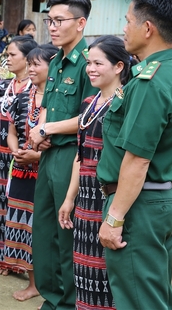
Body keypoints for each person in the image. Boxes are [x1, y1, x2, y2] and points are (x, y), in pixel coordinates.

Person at [97, 0, 172, 309]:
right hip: (159, 199)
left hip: (140, 205)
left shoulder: (151, 82)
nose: (123, 28)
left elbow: (137, 160)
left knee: (139, 300)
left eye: (127, 21)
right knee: (154, 295)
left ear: (147, 28)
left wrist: (115, 217)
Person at [29, 0, 97, 310]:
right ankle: (52, 298)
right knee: (43, 232)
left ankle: (70, 303)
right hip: (49, 154)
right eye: (49, 20)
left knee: (66, 234)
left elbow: (88, 116)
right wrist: (39, 131)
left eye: (59, 20)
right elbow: (49, 105)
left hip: (72, 156)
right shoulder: (56, 61)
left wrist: (48, 129)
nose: (52, 27)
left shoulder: (89, 63)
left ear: (80, 23)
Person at [58, 35, 132, 310]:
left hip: (108, 198)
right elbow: (81, 154)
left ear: (119, 67)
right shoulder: (89, 102)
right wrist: (69, 199)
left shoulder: (124, 103)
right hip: (85, 200)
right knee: (84, 273)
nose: (91, 68)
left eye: (98, 63)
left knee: (106, 273)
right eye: (89, 63)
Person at [0, 36, 36, 276]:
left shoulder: (36, 88)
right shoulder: (2, 86)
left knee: (15, 207)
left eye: (12, 55)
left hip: (21, 156)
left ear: (28, 58)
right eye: (7, 54)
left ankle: (14, 260)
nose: (7, 59)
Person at [6, 43, 57, 302]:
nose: (31, 69)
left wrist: (36, 156)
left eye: (37, 64)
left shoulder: (60, 101)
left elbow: (67, 143)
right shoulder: (22, 98)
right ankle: (33, 282)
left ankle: (48, 284)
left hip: (46, 172)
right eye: (30, 64)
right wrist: (17, 152)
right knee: (23, 226)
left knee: (42, 228)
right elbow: (11, 132)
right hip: (21, 171)